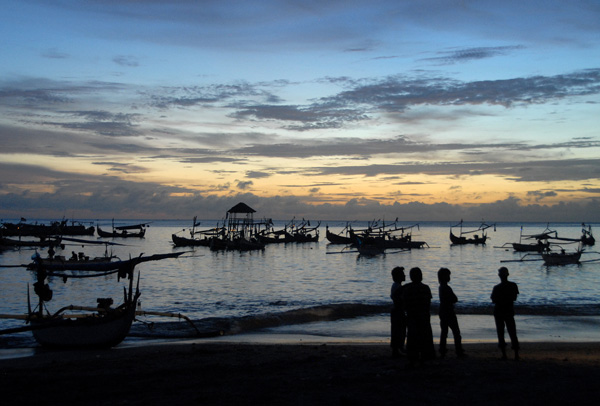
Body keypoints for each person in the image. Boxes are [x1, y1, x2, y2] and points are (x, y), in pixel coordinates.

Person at [402, 267, 435, 367]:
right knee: (424, 336)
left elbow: (404, 301)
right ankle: (424, 356)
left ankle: (413, 357)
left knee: (412, 337)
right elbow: (428, 303)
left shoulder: (407, 288)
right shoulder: (425, 288)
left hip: (412, 315)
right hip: (422, 315)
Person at [491, 266, 520, 360]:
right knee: (512, 332)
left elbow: (493, 300)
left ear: (499, 275)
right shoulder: (513, 285)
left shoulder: (497, 287)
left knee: (500, 332)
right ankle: (516, 354)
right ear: (507, 274)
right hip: (508, 310)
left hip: (499, 311)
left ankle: (504, 354)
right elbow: (514, 298)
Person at [437, 268, 465, 358]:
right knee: (456, 332)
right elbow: (455, 299)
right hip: (449, 311)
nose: (449, 277)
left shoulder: (441, 287)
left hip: (443, 310)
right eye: (448, 275)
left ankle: (442, 350)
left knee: (444, 332)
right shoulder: (447, 288)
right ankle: (458, 350)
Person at [390, 266, 407, 357]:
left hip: (397, 311)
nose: (405, 275)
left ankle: (398, 348)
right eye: (403, 274)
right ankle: (398, 348)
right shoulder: (397, 286)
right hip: (398, 311)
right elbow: (398, 299)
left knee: (398, 330)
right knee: (399, 330)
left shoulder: (397, 286)